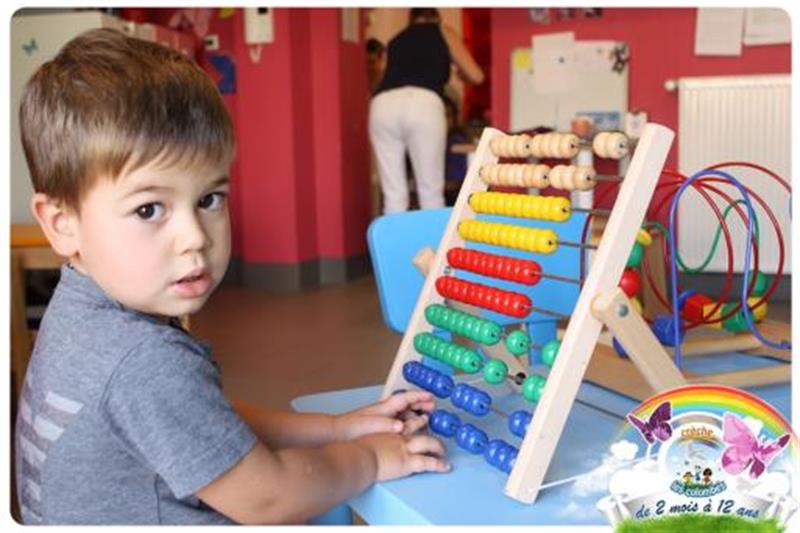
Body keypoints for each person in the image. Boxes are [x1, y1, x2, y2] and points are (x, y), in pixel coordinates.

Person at [15, 28, 449, 525]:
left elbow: (207, 420)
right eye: (150, 208)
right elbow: (269, 498)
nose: (194, 237)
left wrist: (332, 428)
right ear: (61, 223)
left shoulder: (82, 312)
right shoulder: (141, 361)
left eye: (208, 200)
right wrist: (370, 457)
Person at [368, 8, 484, 214]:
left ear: (411, 21)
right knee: (430, 191)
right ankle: (433, 246)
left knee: (393, 193)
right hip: (422, 103)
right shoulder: (443, 31)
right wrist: (461, 74)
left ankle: (396, 246)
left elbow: (379, 79)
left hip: (382, 105)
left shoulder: (396, 40)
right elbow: (476, 75)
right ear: (436, 19)